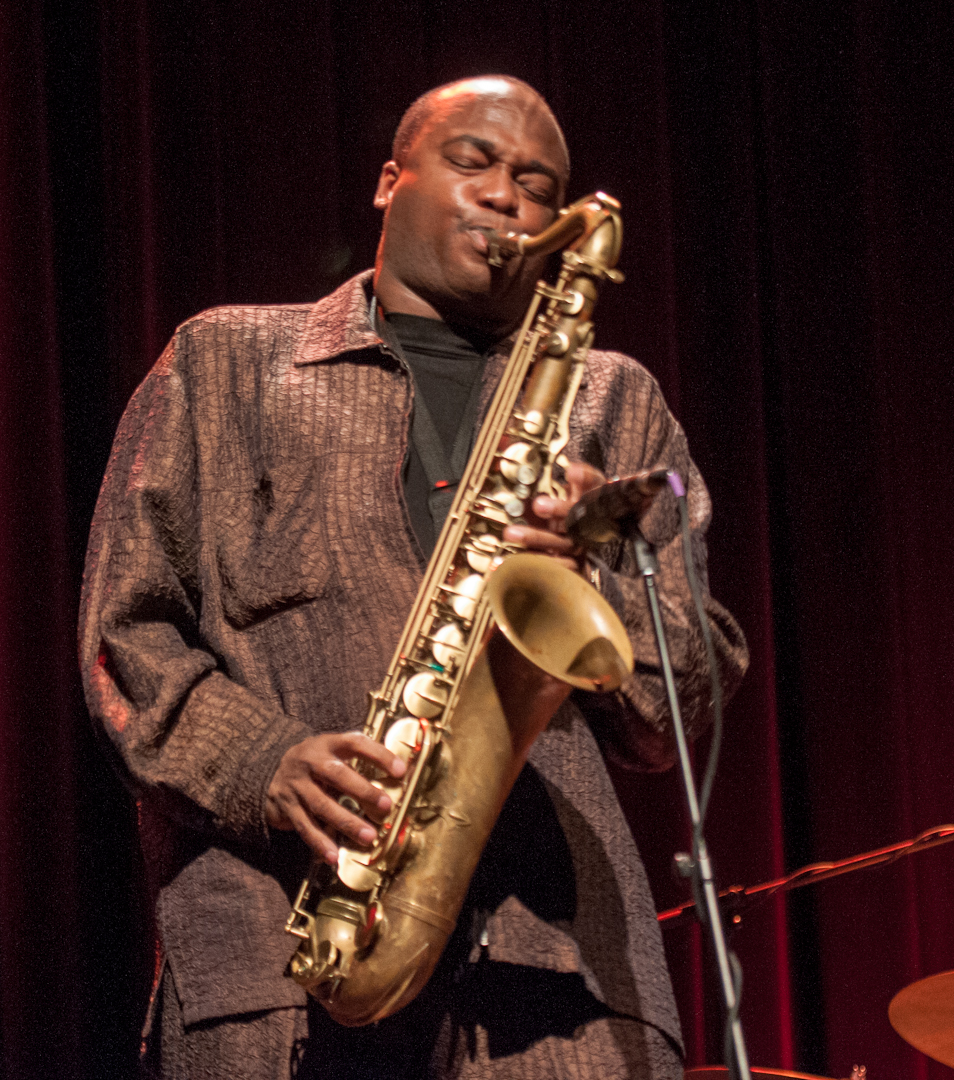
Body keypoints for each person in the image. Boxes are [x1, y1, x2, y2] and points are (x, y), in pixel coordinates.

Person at [79, 75, 748, 1080]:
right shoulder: (224, 362)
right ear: (390, 180)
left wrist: (596, 571)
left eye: (536, 180)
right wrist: (266, 763)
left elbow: (675, 713)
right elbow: (125, 635)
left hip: (561, 986)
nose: (509, 196)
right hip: (284, 961)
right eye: (473, 160)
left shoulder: (612, 399)